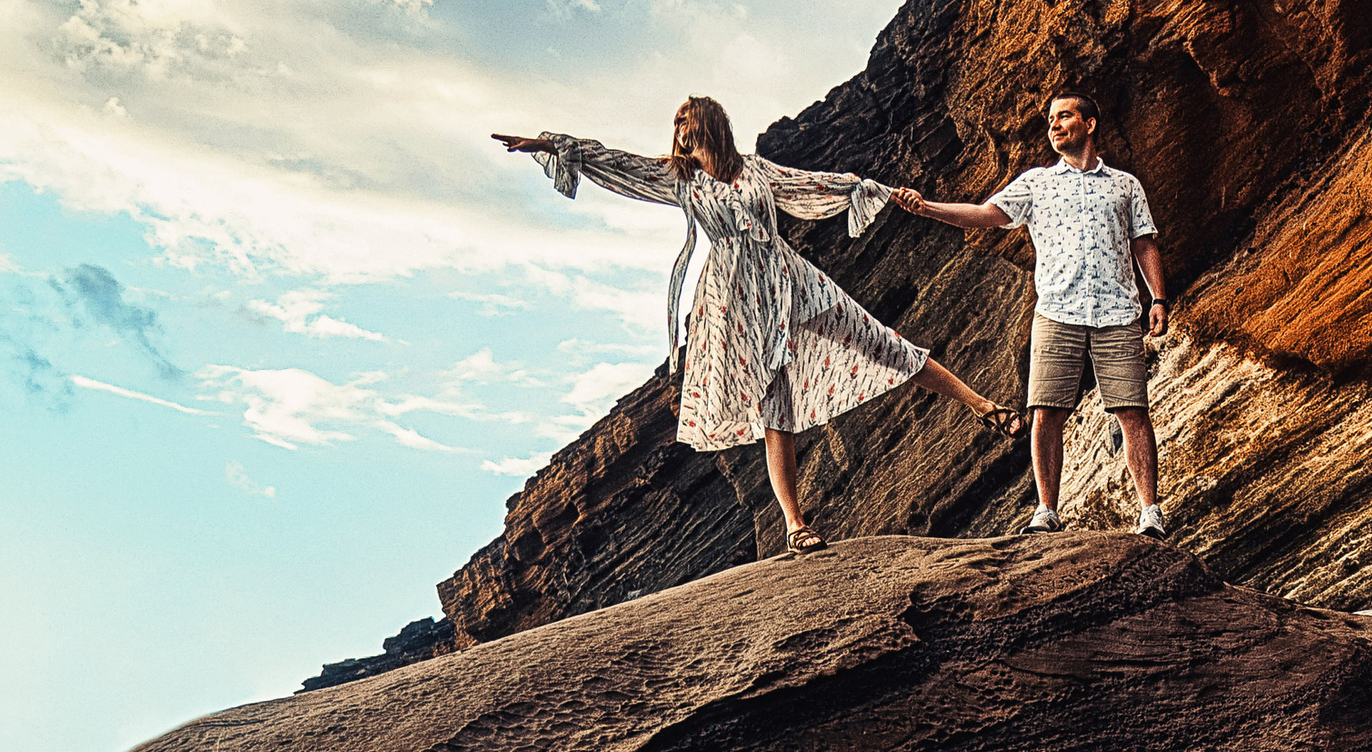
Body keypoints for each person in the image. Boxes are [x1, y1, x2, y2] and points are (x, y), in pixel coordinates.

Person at [494, 99, 1012, 551]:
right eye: (676, 125)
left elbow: (814, 185)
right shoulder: (679, 179)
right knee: (775, 408)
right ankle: (794, 523)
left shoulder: (756, 170)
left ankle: (983, 406)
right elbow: (616, 160)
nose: (680, 133)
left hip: (790, 280)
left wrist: (872, 190)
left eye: (688, 122)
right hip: (735, 301)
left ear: (712, 125)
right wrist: (549, 143)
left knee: (879, 340)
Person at [894, 95, 1168, 536]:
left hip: (1117, 310)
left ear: (1090, 123)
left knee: (1132, 410)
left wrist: (1157, 297)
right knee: (1045, 411)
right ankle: (1047, 511)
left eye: (1064, 116)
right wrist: (927, 207)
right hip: (1057, 311)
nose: (1054, 125)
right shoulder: (1037, 182)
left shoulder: (1125, 185)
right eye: (1050, 120)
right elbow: (985, 214)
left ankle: (1150, 512)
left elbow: (1144, 243)